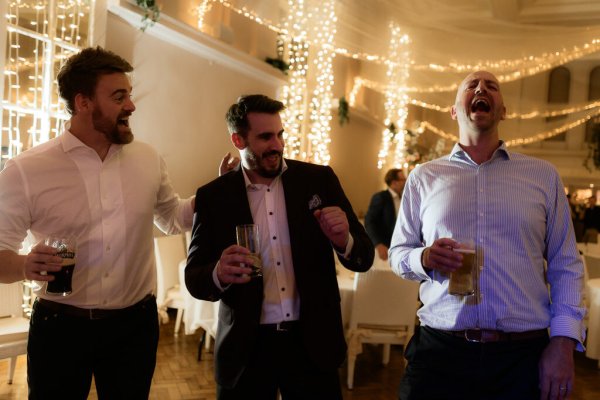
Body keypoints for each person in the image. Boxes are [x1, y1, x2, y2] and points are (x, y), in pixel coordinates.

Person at [0, 46, 194, 399]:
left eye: (129, 96)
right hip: (59, 328)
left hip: (135, 328)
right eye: (119, 97)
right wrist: (26, 264)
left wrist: (220, 193)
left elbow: (171, 219)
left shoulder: (149, 158)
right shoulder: (25, 170)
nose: (131, 106)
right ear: (83, 102)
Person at [389, 71, 586, 400]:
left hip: (521, 357)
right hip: (440, 352)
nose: (481, 88)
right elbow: (398, 253)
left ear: (503, 111)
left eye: (491, 86)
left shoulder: (542, 176)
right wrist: (422, 257)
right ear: (454, 111)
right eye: (471, 86)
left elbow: (566, 265)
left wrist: (563, 342)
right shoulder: (424, 177)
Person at [185, 94, 374, 399]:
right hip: (247, 348)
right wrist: (219, 272)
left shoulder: (319, 180)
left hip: (312, 344)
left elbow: (363, 257)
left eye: (279, 134)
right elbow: (194, 277)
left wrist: (344, 241)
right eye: (264, 137)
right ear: (238, 139)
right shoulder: (214, 196)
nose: (277, 145)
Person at [365, 168, 406, 261]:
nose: (405, 181)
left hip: (401, 246)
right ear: (394, 182)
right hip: (385, 247)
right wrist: (378, 244)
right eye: (403, 179)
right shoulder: (381, 197)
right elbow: (369, 222)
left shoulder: (405, 197)